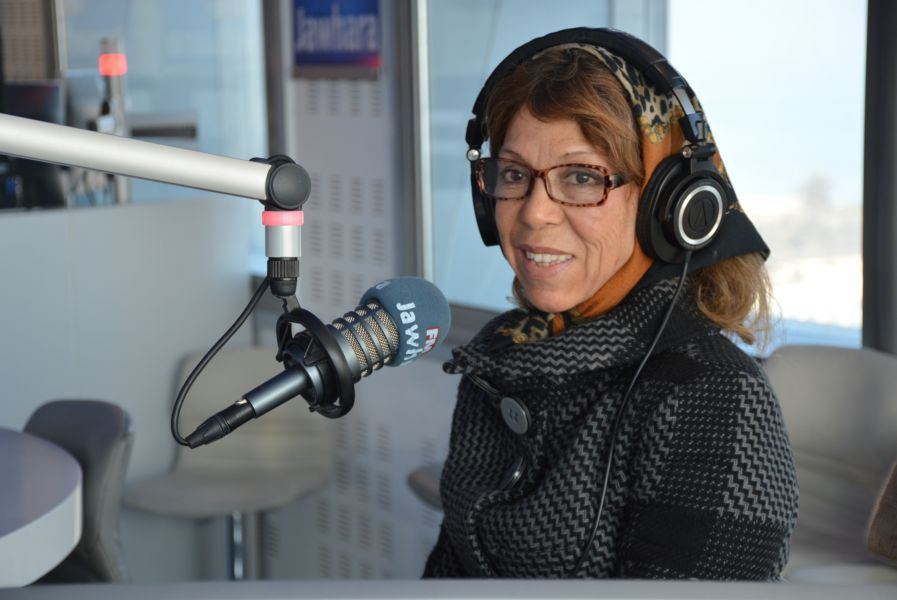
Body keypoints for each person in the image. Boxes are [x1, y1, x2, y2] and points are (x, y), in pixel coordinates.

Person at [423, 28, 799, 580]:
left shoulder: (715, 397)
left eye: (581, 177)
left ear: (666, 203)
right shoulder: (498, 360)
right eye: (514, 174)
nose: (534, 214)